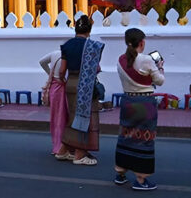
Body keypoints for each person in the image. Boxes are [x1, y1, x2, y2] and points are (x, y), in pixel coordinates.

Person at [113, 28, 165, 191]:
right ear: (142, 43)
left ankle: (120, 173)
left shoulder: (120, 60)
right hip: (144, 103)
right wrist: (160, 68)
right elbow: (160, 81)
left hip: (127, 101)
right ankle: (141, 179)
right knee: (143, 138)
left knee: (126, 135)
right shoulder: (147, 60)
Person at [55, 15, 104, 166]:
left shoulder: (67, 45)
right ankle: (79, 154)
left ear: (75, 29)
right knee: (85, 118)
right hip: (86, 85)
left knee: (73, 117)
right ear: (89, 30)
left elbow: (62, 70)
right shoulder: (93, 46)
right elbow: (96, 69)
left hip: (71, 83)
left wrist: (64, 80)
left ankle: (63, 150)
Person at [40, 49, 69, 155]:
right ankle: (63, 146)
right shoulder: (69, 55)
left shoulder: (54, 53)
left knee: (56, 118)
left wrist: (50, 74)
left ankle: (56, 145)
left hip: (54, 88)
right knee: (65, 118)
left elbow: (41, 61)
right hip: (64, 88)